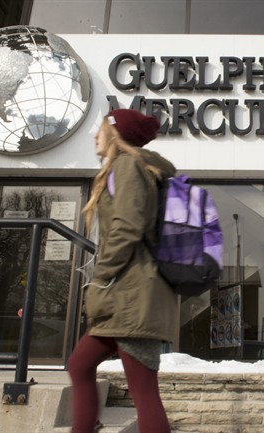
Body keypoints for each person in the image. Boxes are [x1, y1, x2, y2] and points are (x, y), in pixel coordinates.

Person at [68, 109, 178, 433]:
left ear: (115, 133)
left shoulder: (128, 165)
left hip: (132, 295)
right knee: (79, 365)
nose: (95, 135)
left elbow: (128, 226)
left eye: (101, 128)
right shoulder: (128, 167)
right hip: (126, 295)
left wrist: (101, 275)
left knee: (143, 391)